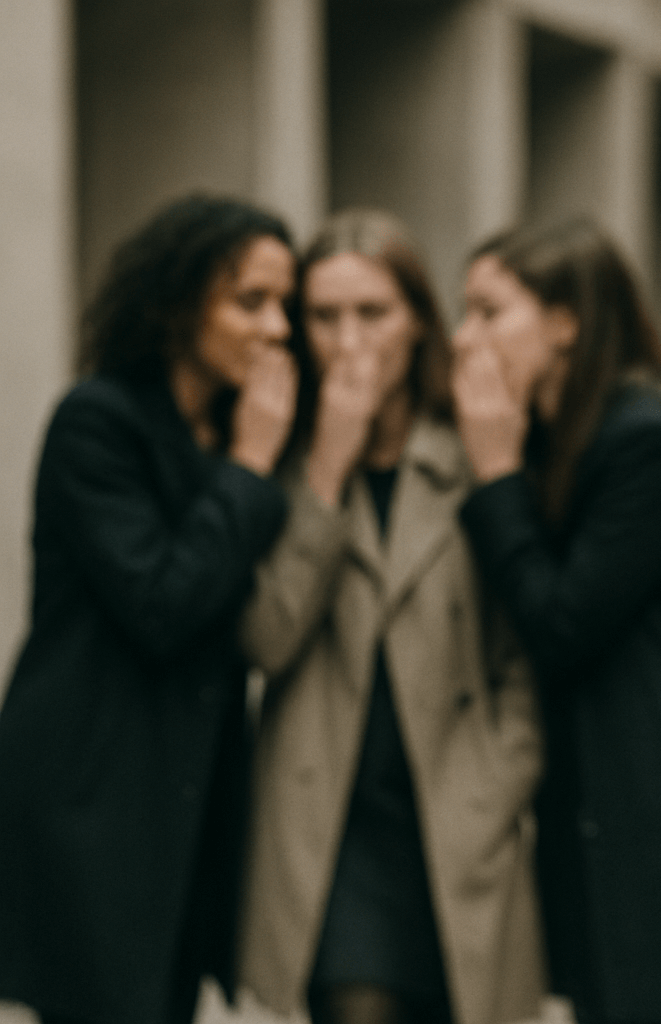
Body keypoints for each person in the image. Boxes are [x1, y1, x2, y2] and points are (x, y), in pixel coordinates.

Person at [236, 209, 545, 1024]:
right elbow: (265, 639)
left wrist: (501, 779)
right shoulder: (284, 458)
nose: (350, 341)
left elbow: (528, 643)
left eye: (372, 313)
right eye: (326, 317)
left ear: (417, 322)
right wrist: (328, 471)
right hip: (329, 829)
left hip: (457, 814)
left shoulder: (478, 450)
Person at [0, 195, 297, 1024]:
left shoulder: (233, 433)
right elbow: (160, 601)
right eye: (250, 302)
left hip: (186, 805)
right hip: (89, 801)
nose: (278, 327)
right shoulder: (98, 422)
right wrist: (250, 466)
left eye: (284, 304)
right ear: (174, 306)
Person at [450, 219, 661, 1024]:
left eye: (488, 311)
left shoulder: (647, 438)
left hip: (646, 798)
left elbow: (562, 624)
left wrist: (494, 473)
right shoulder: (562, 438)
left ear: (564, 322)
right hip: (589, 798)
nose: (465, 339)